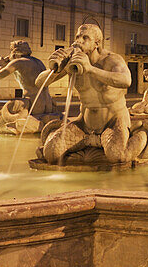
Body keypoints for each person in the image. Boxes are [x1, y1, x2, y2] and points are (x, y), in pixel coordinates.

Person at [36, 23, 137, 163]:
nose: (79, 41)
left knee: (117, 155)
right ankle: (88, 142)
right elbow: (40, 83)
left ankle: (142, 134)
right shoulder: (73, 62)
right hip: (85, 123)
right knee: (51, 152)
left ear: (96, 43)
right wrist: (56, 69)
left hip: (113, 121)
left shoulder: (111, 59)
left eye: (85, 37)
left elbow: (126, 80)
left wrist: (90, 69)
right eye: (77, 37)